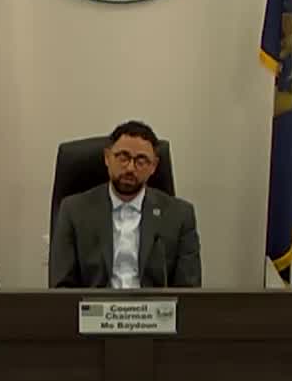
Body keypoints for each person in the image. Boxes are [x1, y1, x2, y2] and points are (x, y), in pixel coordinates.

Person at [51, 120, 201, 288]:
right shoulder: (74, 210)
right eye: (123, 157)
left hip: (153, 304)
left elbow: (188, 291)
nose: (130, 168)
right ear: (107, 157)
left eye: (141, 160)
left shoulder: (180, 215)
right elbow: (62, 288)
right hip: (94, 304)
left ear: (154, 166)